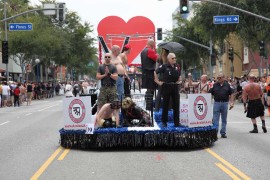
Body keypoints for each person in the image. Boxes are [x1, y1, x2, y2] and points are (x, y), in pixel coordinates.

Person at [155, 53, 181, 127]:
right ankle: (164, 122)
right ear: (169, 59)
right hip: (166, 86)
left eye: (175, 58)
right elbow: (155, 71)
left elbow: (179, 76)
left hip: (175, 86)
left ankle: (176, 122)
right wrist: (157, 81)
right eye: (173, 58)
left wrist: (180, 80)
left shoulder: (177, 66)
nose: (174, 59)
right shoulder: (164, 66)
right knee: (165, 105)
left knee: (176, 105)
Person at [208, 73, 234, 138]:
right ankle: (215, 133)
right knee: (215, 119)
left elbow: (232, 94)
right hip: (216, 103)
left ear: (224, 78)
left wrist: (232, 102)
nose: (219, 79)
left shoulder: (228, 85)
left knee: (224, 119)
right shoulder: (215, 85)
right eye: (218, 77)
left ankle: (223, 133)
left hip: (225, 103)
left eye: (220, 77)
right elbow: (209, 93)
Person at [141, 39, 159, 110]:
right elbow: (156, 58)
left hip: (145, 72)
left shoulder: (143, 51)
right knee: (150, 90)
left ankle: (148, 105)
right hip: (149, 72)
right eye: (154, 44)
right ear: (152, 44)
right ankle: (149, 106)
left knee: (149, 89)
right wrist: (156, 54)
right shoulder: (150, 51)